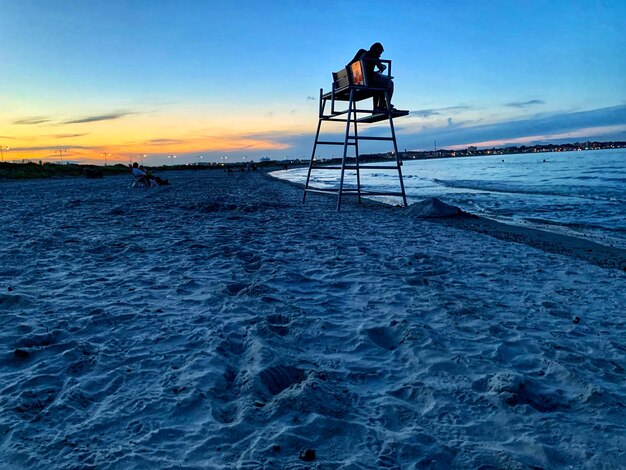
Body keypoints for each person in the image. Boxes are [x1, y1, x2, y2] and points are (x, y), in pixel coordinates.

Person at [349, 42, 395, 113]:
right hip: (366, 82)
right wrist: (383, 67)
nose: (380, 55)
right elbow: (380, 66)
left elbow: (353, 65)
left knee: (379, 84)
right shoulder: (373, 55)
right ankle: (385, 105)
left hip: (358, 82)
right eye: (380, 53)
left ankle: (377, 108)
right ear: (376, 49)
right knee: (389, 83)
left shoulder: (361, 53)